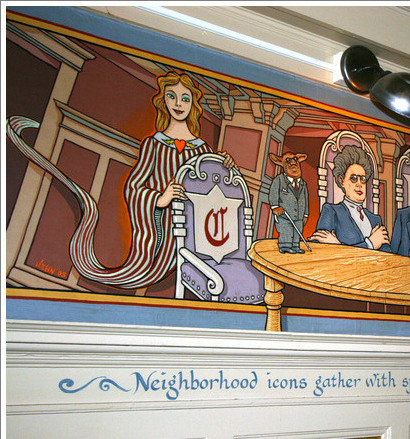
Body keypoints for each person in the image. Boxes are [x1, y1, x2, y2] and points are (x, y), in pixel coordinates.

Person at [7, 70, 234, 289]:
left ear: (192, 104)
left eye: (185, 98)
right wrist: (159, 199)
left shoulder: (203, 150)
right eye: (171, 96)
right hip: (158, 233)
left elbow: (213, 192)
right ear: (163, 101)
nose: (178, 104)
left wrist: (224, 167)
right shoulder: (153, 144)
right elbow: (134, 186)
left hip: (191, 232)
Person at [310, 145, 390, 250]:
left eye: (363, 179)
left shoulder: (375, 219)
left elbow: (388, 257)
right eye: (353, 178)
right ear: (341, 180)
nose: (359, 184)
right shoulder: (331, 211)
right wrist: (370, 244)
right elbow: (321, 251)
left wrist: (338, 246)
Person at [262, 151, 309, 253]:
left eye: (295, 160)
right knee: (286, 229)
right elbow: (273, 194)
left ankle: (295, 245)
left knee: (297, 230)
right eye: (288, 161)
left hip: (299, 215)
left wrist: (305, 214)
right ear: (282, 164)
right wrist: (275, 207)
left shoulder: (303, 184)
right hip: (284, 214)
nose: (293, 163)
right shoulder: (279, 180)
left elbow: (305, 199)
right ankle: (285, 246)